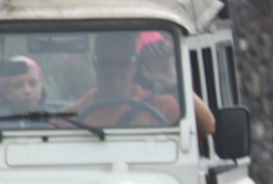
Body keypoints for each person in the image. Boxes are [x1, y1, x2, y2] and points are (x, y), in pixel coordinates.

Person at [60, 31, 216, 136]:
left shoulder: (161, 106)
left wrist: (172, 79)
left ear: (134, 66)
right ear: (95, 64)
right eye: (106, 62)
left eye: (122, 63)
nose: (114, 70)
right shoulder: (73, 115)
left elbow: (207, 127)